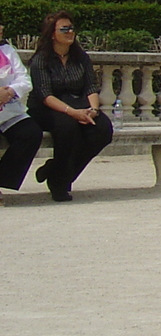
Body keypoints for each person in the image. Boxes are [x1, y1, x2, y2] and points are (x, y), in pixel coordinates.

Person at [27, 11, 114, 201]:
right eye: (64, 29)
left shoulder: (80, 57)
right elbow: (45, 95)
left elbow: (91, 87)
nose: (69, 32)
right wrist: (72, 113)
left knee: (102, 129)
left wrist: (93, 110)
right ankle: (60, 185)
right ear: (52, 34)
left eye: (71, 28)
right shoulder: (40, 60)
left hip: (78, 103)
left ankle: (55, 171)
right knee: (68, 128)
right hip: (47, 108)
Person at [0, 17, 43, 204]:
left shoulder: (7, 50)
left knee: (31, 133)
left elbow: (25, 81)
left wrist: (9, 91)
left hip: (8, 110)